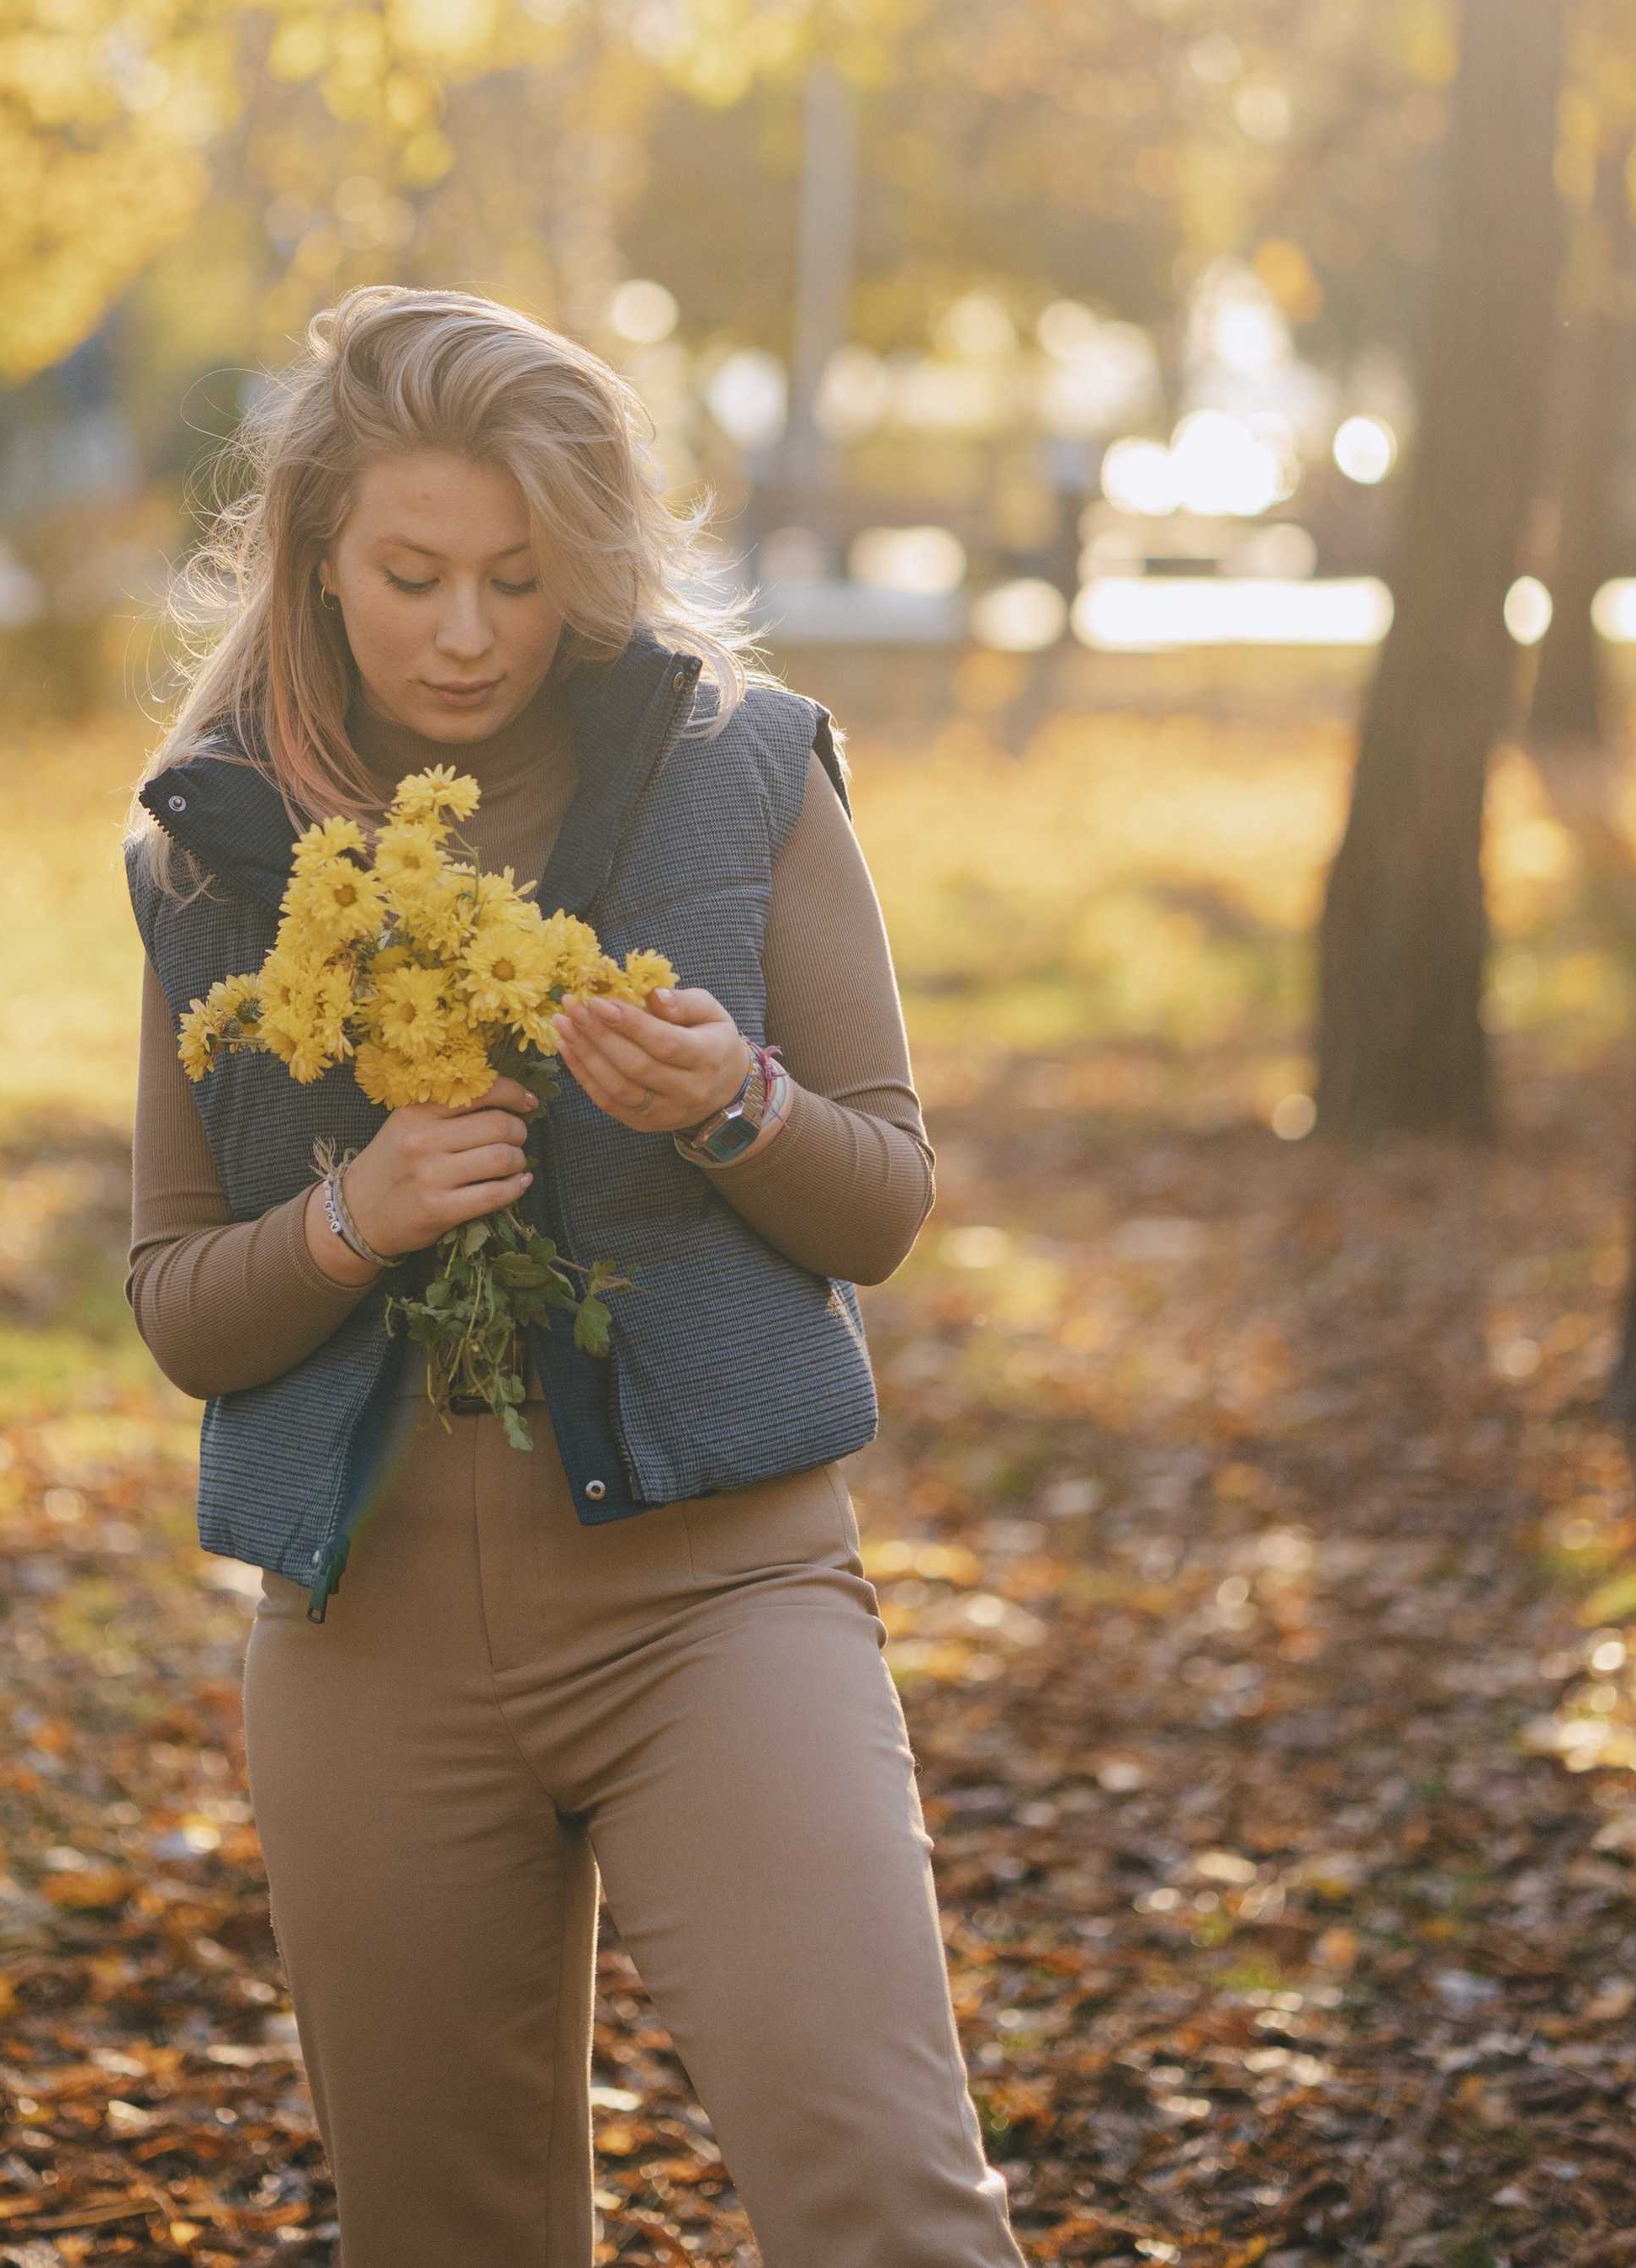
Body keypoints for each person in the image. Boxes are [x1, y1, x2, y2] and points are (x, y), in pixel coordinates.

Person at [124, 286, 1021, 2268]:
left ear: (587, 563)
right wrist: (353, 1218)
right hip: (362, 1646)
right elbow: (178, 1295)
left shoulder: (743, 768)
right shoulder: (208, 850)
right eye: (413, 574)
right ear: (317, 563)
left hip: (718, 1604)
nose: (466, 632)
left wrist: (732, 1103)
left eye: (519, 579)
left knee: (888, 2203)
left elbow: (879, 1198)